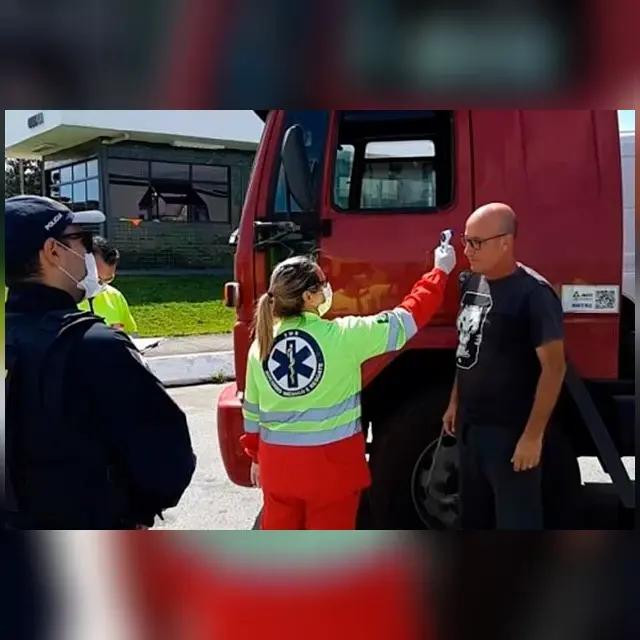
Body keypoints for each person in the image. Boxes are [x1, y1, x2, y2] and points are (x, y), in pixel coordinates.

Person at [4, 195, 196, 530]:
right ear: (53, 251)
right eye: (83, 240)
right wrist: (137, 510)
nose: (89, 253)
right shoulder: (94, 346)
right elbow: (167, 461)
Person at [241, 240, 457, 530]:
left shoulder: (260, 346)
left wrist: (257, 459)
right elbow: (406, 319)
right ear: (309, 297)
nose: (327, 289)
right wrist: (439, 271)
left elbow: (252, 413)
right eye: (322, 285)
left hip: (278, 471)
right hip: (332, 474)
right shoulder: (345, 336)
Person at [442, 202, 567, 530]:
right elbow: (467, 347)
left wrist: (532, 437)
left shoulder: (534, 295)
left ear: (505, 243)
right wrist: (455, 402)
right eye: (466, 241)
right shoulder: (472, 282)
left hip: (510, 436)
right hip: (470, 431)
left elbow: (554, 369)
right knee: (474, 522)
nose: (467, 251)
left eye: (476, 242)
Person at [78, 235, 138, 334]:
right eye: (97, 279)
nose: (100, 286)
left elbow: (131, 335)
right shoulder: (62, 302)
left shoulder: (115, 296)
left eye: (107, 280)